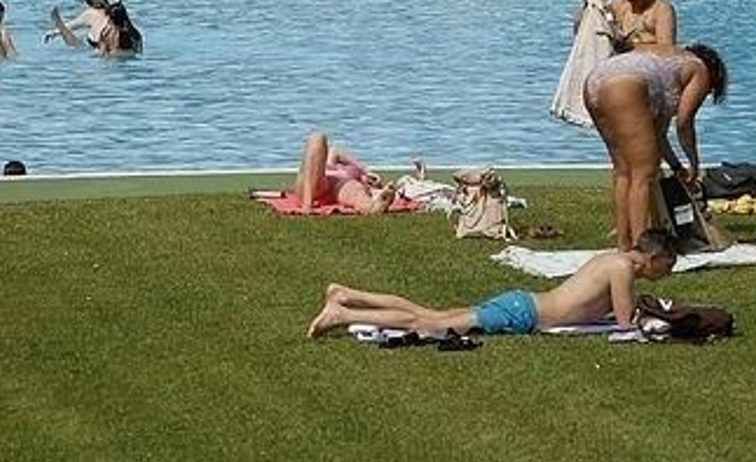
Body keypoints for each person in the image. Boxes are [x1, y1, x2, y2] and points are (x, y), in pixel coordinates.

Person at [306, 229, 678, 341]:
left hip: (522, 303)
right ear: (654, 257)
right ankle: (341, 312)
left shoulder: (615, 258)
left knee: (428, 315)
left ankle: (347, 295)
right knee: (429, 326)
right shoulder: (622, 268)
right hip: (523, 313)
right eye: (669, 265)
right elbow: (627, 322)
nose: (669, 271)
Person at [584, 44, 728, 248]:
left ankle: (624, 244)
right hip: (626, 84)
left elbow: (658, 138)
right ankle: (642, 247)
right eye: (707, 93)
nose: (703, 96)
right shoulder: (699, 70)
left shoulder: (665, 67)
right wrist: (694, 163)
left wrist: (677, 167)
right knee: (644, 173)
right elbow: (684, 122)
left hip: (596, 79)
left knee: (624, 170)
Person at [294, 131, 397, 214]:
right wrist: (366, 170)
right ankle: (307, 205)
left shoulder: (356, 179)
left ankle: (373, 206)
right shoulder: (331, 160)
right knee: (317, 137)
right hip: (316, 180)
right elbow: (337, 152)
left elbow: (366, 183)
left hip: (340, 186)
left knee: (356, 191)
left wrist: (367, 176)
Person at [47, 0, 113, 47]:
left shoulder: (90, 13)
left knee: (71, 36)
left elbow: (71, 26)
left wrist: (54, 32)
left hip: (96, 45)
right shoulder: (112, 11)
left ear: (91, 5)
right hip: (111, 43)